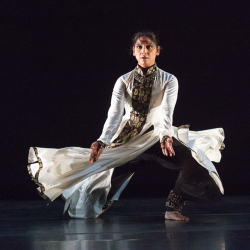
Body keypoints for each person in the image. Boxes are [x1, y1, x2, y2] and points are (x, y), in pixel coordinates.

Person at [27, 31, 225, 221]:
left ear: (157, 50)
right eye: (139, 47)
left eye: (149, 47)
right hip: (128, 143)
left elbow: (166, 110)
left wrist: (165, 135)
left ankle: (172, 208)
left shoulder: (169, 79)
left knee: (194, 164)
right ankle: (101, 202)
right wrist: (102, 140)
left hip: (156, 137)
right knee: (91, 202)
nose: (144, 51)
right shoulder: (123, 81)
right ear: (133, 51)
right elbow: (114, 114)